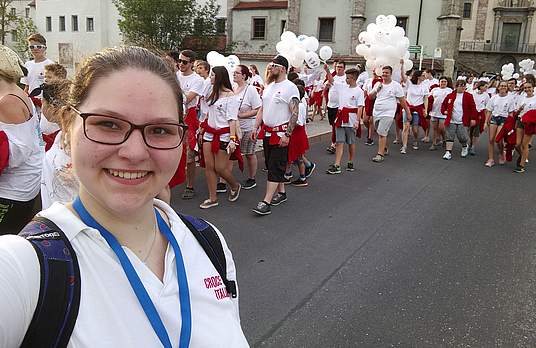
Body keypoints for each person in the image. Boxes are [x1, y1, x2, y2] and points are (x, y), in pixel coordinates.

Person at [0, 46, 249, 346]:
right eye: (107, 124)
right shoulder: (26, 267)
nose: (133, 152)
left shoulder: (208, 243)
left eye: (160, 130)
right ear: (67, 126)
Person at [0, 45, 43, 234]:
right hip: (25, 184)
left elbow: (18, 152)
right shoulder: (16, 93)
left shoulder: (7, 101)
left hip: (13, 191)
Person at [252, 55, 299, 216]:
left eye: (274, 65)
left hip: (280, 134)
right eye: (270, 65)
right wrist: (255, 126)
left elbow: (295, 112)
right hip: (267, 133)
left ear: (283, 68)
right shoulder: (269, 86)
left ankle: (266, 201)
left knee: (274, 166)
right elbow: (262, 108)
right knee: (272, 165)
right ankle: (282, 192)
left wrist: (287, 134)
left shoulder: (290, 87)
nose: (270, 67)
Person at [199, 66, 241, 209]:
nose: (210, 77)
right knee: (209, 166)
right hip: (209, 133)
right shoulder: (211, 92)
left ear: (219, 77)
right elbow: (206, 111)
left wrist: (232, 138)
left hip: (223, 135)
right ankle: (212, 197)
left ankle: (235, 186)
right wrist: (202, 126)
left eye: (212, 75)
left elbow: (232, 119)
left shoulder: (230, 96)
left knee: (220, 167)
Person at [40, 79, 78, 209]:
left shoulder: (75, 142)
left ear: (52, 107)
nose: (41, 104)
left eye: (43, 101)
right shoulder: (61, 135)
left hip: (71, 220)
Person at [325, 67, 365, 174]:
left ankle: (350, 160)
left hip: (351, 119)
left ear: (353, 78)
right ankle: (337, 165)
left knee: (351, 142)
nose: (346, 80)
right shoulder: (342, 87)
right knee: (339, 142)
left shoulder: (359, 91)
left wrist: (357, 121)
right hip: (340, 117)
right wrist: (327, 71)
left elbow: (360, 107)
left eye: (348, 78)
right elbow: (331, 80)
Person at [368, 66, 411, 163]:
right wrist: (376, 90)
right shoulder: (378, 84)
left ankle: (380, 154)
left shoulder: (396, 85)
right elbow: (370, 97)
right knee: (380, 131)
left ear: (391, 74)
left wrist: (408, 112)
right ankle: (385, 147)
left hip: (388, 113)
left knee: (382, 132)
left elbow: (402, 101)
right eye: (383, 72)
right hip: (377, 111)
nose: (384, 74)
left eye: (387, 73)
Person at [177, 50, 204, 200]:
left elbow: (187, 99)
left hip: (189, 117)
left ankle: (190, 185)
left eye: (185, 62)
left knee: (189, 155)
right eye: (180, 61)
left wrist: (173, 88)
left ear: (192, 63)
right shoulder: (174, 75)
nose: (181, 64)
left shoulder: (197, 80)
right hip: (173, 116)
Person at [232, 64, 261, 190]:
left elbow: (258, 109)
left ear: (244, 76)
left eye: (237, 73)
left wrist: (242, 115)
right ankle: (223, 180)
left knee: (249, 153)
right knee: (229, 153)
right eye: (234, 72)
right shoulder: (233, 88)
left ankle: (252, 178)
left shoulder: (250, 90)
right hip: (234, 127)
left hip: (248, 127)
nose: (234, 74)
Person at [440, 79, 478, 160]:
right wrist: (444, 111)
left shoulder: (468, 96)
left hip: (463, 120)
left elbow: (473, 108)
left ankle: (464, 146)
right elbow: (443, 105)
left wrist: (473, 118)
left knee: (462, 137)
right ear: (456, 87)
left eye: (464, 86)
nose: (462, 87)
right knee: (449, 136)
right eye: (461, 85)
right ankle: (448, 152)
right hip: (451, 120)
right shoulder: (450, 95)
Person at [484, 80, 513, 167]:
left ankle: (501, 153)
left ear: (507, 88)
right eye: (501, 86)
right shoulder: (494, 98)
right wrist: (485, 122)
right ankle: (491, 159)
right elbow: (489, 110)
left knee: (498, 139)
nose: (503, 87)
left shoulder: (510, 99)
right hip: (494, 118)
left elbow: (511, 113)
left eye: (505, 86)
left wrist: (511, 125)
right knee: (491, 139)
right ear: (498, 87)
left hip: (504, 119)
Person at [400, 70, 429, 154]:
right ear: (418, 76)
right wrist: (402, 66)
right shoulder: (409, 83)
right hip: (408, 107)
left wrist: (426, 110)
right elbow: (403, 75)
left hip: (418, 108)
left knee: (415, 129)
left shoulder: (424, 86)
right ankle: (404, 146)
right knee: (406, 127)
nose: (425, 77)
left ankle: (415, 139)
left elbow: (425, 98)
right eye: (423, 75)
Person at [513, 80, 536, 173]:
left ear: (533, 88)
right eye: (525, 88)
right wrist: (519, 109)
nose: (527, 89)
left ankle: (521, 165)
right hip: (520, 121)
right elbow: (517, 112)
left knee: (524, 144)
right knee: (517, 144)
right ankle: (523, 156)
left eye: (529, 87)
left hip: (530, 123)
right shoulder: (522, 98)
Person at [325, 60, 347, 154]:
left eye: (341, 67)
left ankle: (334, 144)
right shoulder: (333, 76)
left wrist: (327, 70)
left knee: (335, 125)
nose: (339, 68)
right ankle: (338, 140)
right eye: (337, 67)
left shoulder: (346, 78)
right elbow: (326, 85)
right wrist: (326, 86)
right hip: (331, 105)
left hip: (340, 106)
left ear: (344, 68)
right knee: (332, 125)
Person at [428, 76, 453, 150]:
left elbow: (452, 100)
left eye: (445, 82)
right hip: (434, 112)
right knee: (435, 129)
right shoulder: (434, 89)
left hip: (444, 113)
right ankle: (433, 144)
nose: (443, 83)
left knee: (442, 128)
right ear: (439, 82)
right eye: (442, 81)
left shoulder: (450, 90)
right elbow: (429, 99)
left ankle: (444, 139)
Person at [470, 80, 491, 156]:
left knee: (477, 130)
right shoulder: (472, 93)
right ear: (481, 86)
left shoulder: (486, 95)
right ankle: (470, 143)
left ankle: (473, 146)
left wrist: (487, 119)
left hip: (480, 113)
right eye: (485, 86)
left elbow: (487, 107)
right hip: (472, 113)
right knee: (470, 130)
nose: (486, 88)